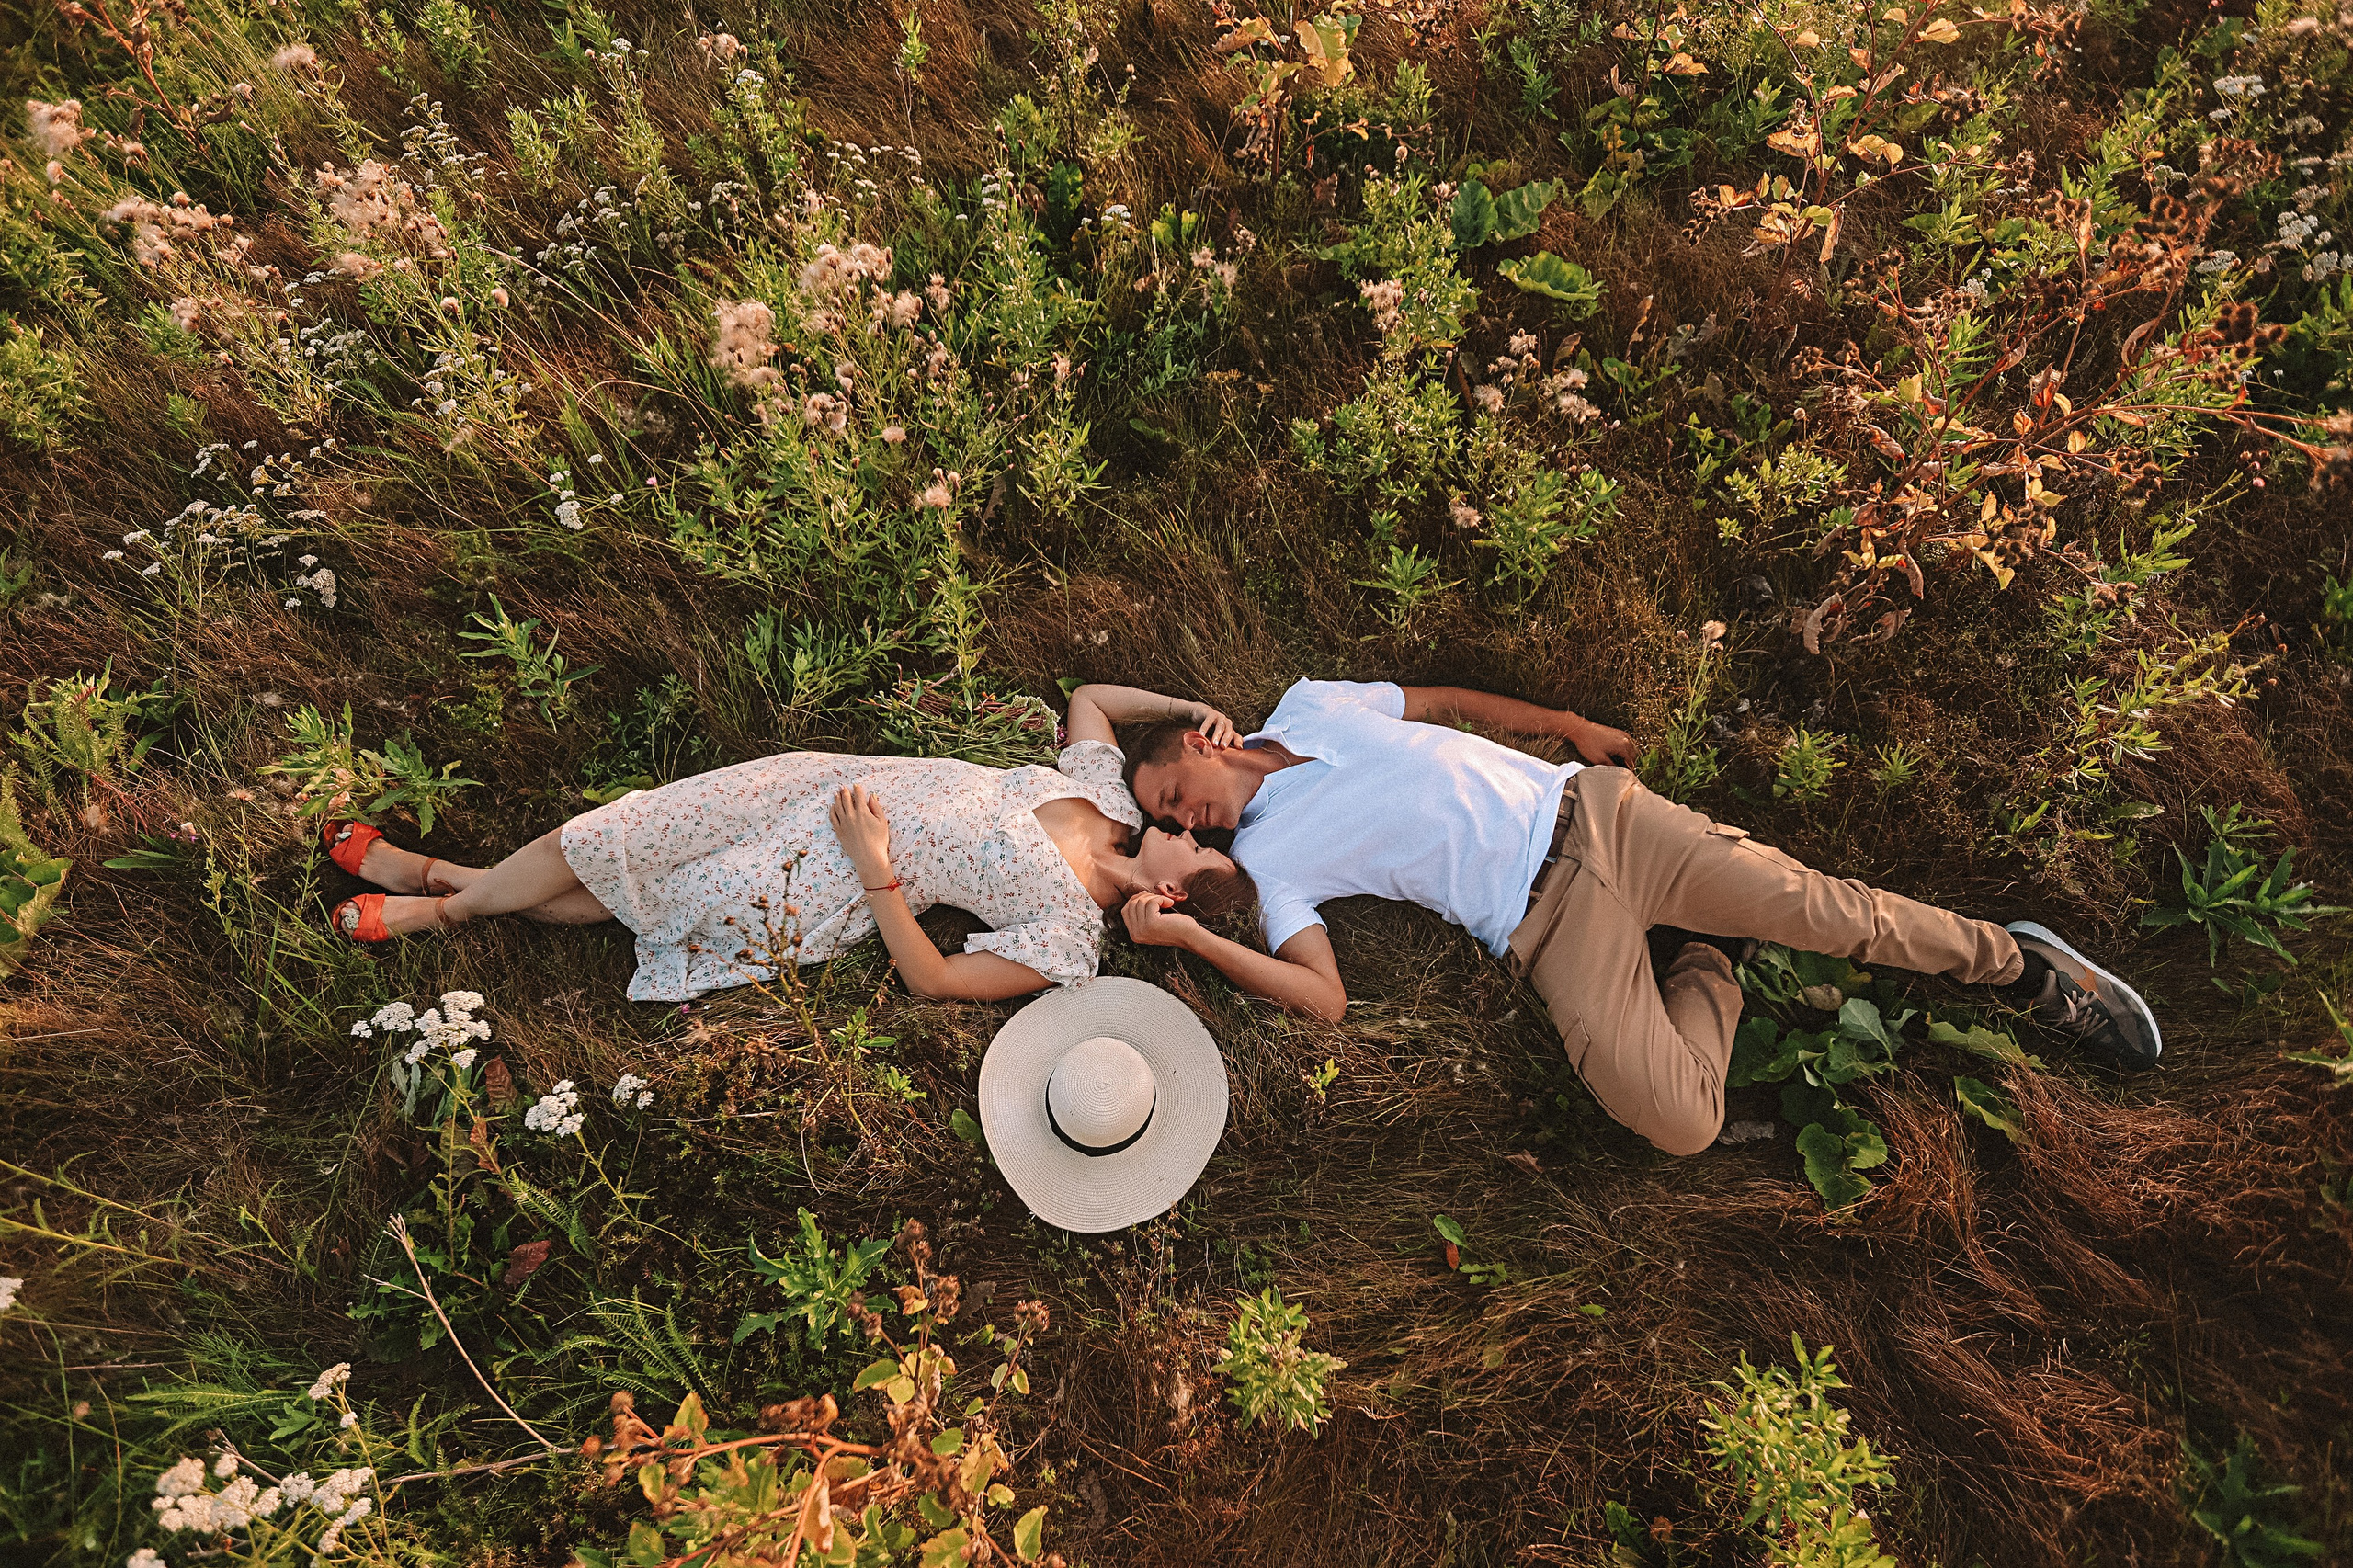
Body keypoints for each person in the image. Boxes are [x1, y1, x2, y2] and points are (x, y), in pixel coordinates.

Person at [1119, 679, 2161, 1156]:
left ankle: (2021, 970)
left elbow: (1437, 703)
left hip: (1596, 814)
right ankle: (1709, 956)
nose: (1186, 822)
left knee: (1834, 913)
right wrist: (1191, 933)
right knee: (1681, 1121)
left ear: (1202, 742)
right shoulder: (1269, 863)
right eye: (1169, 824)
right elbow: (1326, 999)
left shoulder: (1306, 704)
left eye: (1172, 796)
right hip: (1548, 929)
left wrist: (1567, 725)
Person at [322, 684, 1247, 1004]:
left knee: (660, 892)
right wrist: (1184, 709)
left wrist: (875, 864)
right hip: (817, 779)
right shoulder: (1105, 795)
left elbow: (934, 981)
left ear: (1171, 897)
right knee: (627, 834)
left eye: (1198, 849)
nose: (1185, 826)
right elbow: (1090, 700)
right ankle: (448, 880)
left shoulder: (1068, 939)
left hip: (831, 870)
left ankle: (435, 902)